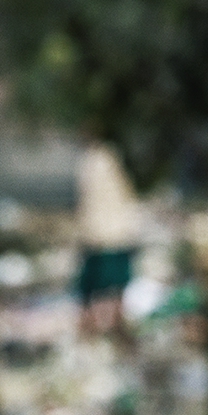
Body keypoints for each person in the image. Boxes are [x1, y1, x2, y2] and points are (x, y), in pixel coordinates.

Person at [74, 140, 143, 336]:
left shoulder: (98, 162)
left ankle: (106, 323)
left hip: (108, 234)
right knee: (105, 282)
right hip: (106, 234)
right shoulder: (98, 163)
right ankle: (98, 323)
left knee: (105, 282)